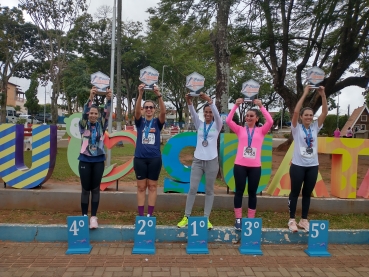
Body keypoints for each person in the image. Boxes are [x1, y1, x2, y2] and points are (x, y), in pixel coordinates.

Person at [177, 92, 223, 230]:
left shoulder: (218, 125)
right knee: (192, 188)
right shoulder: (199, 124)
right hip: (197, 161)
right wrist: (189, 101)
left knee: (209, 190)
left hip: (212, 162)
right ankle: (186, 216)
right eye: (206, 112)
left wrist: (210, 101)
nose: (208, 114)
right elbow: (192, 113)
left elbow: (217, 114)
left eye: (210, 112)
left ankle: (206, 218)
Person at [226, 98, 273, 230]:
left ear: (257, 118)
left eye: (251, 116)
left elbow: (270, 121)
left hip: (255, 167)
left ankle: (250, 220)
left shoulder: (262, 131)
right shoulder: (240, 129)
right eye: (247, 116)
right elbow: (228, 121)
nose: (248, 118)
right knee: (239, 192)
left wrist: (261, 106)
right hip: (240, 165)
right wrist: (235, 105)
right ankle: (238, 219)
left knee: (253, 193)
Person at [287, 85, 328, 232]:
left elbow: (324, 112)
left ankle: (304, 219)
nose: (309, 117)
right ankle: (291, 220)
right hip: (298, 165)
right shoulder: (296, 128)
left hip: (312, 166)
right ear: (302, 117)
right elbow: (296, 111)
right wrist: (305, 93)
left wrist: (322, 95)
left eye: (311, 115)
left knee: (307, 193)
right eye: (306, 115)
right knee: (295, 192)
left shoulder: (315, 127)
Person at [78, 86, 112, 229]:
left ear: (98, 115)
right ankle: (84, 216)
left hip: (98, 160)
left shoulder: (101, 126)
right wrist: (90, 97)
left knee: (96, 189)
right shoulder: (83, 125)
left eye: (95, 113)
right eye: (91, 113)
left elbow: (107, 113)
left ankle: (93, 217)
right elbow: (84, 114)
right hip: (85, 160)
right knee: (85, 189)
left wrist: (109, 100)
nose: (92, 115)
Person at [134, 83, 166, 217]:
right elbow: (136, 112)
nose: (148, 109)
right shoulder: (140, 122)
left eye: (151, 107)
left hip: (154, 159)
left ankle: (150, 215)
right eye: (146, 107)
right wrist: (140, 94)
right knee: (141, 187)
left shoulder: (157, 122)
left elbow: (164, 112)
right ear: (143, 110)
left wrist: (158, 95)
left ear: (154, 110)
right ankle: (141, 215)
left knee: (152, 187)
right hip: (140, 159)